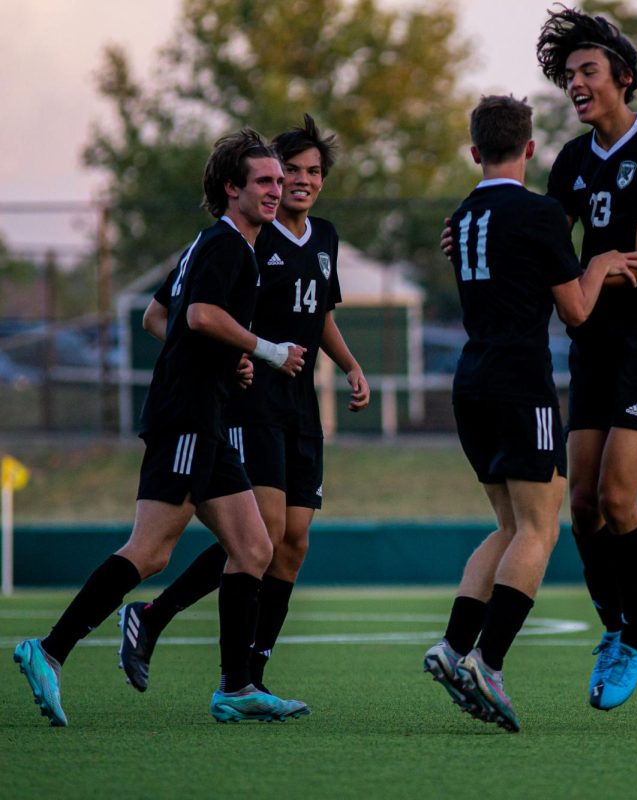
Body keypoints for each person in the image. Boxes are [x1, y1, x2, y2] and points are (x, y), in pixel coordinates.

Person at [13, 129, 310, 725]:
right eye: (264, 181)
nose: (277, 190)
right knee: (150, 552)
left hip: (206, 416)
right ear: (231, 189)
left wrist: (230, 358)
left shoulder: (215, 245)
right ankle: (48, 649)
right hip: (185, 418)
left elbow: (161, 316)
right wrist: (267, 349)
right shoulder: (227, 246)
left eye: (280, 180)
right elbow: (198, 315)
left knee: (253, 546)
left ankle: (235, 687)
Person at [117, 115, 369, 700]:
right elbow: (167, 313)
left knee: (294, 541)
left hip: (301, 406)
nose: (300, 182)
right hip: (249, 402)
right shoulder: (241, 237)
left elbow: (320, 314)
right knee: (264, 532)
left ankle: (248, 671)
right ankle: (214, 660)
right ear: (267, 179)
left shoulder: (324, 238)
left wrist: (352, 365)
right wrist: (225, 356)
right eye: (291, 172)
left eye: (313, 172)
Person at [422, 94, 637, 732]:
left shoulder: (463, 216)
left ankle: (452, 646)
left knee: (507, 525)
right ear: (529, 149)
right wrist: (601, 262)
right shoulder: (541, 212)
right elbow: (576, 311)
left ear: (474, 152)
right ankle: (487, 664)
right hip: (520, 382)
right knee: (540, 529)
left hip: (469, 382)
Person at [538, 4, 637, 712]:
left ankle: (636, 636)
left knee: (616, 497)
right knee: (581, 507)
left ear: (623, 78)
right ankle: (615, 627)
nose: (575, 83)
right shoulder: (570, 162)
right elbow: (547, 251)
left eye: (588, 71)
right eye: (568, 74)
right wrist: (486, 230)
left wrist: (589, 267)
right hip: (593, 342)